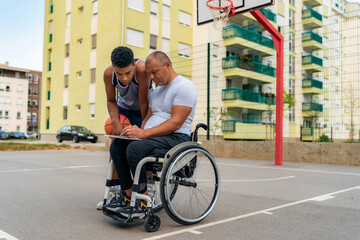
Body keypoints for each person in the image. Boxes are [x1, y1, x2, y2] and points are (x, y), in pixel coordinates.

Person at [103, 51, 197, 218]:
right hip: (155, 136)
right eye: (149, 73)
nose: (151, 77)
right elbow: (148, 115)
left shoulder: (185, 86)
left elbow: (176, 122)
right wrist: (138, 132)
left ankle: (143, 200)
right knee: (117, 147)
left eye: (154, 72)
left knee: (134, 149)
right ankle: (127, 194)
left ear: (167, 65)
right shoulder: (158, 91)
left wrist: (144, 133)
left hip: (175, 138)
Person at [97, 46, 151, 210]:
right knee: (116, 147)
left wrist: (142, 130)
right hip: (123, 111)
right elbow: (111, 101)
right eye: (120, 74)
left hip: (143, 111)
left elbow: (144, 102)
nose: (125, 78)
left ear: (133, 66)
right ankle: (118, 192)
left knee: (140, 148)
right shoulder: (108, 74)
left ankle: (147, 191)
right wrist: (115, 120)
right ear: (113, 68)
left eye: (128, 73)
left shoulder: (142, 69)